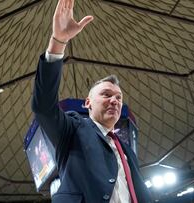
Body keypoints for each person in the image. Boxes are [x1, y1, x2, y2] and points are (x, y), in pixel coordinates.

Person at [32, 0, 151, 202]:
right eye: (106, 94)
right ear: (87, 103)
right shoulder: (73, 128)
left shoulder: (127, 151)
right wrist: (58, 42)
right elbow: (43, 107)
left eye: (119, 97)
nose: (114, 100)